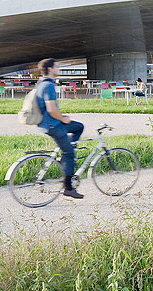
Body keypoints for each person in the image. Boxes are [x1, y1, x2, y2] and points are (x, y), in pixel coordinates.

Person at [36, 58, 85, 199]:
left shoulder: (41, 84)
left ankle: (65, 158)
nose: (59, 69)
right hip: (54, 125)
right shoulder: (49, 86)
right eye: (57, 67)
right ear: (50, 69)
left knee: (78, 127)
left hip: (48, 123)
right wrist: (62, 118)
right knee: (69, 154)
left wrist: (62, 117)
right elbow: (51, 109)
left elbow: (48, 108)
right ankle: (68, 188)